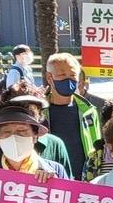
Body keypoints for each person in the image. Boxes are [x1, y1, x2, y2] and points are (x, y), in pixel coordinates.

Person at [0, 81, 75, 174]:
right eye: (7, 132)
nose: (14, 137)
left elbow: (69, 188)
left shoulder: (55, 169)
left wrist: (53, 184)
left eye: (22, 130)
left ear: (35, 135)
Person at [43, 52, 102, 180]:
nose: (68, 80)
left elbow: (97, 149)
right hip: (50, 178)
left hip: (84, 180)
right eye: (62, 75)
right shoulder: (39, 112)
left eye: (73, 75)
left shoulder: (89, 111)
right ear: (49, 77)